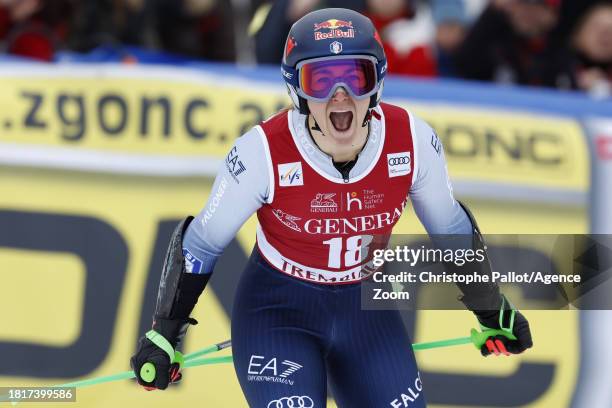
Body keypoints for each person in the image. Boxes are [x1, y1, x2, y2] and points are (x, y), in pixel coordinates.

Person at [130, 8, 533, 407]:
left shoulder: (411, 139)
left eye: (356, 77)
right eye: (320, 80)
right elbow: (201, 244)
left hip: (366, 314)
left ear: (377, 82)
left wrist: (491, 309)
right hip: (277, 314)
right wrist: (165, 333)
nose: (340, 97)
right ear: (297, 90)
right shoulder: (261, 152)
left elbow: (450, 230)